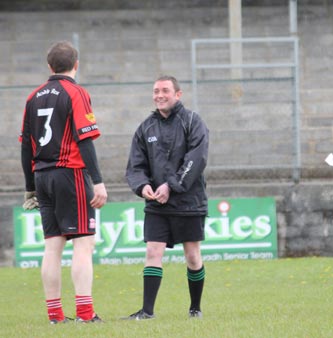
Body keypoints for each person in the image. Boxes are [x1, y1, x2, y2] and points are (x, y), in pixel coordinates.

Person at [19, 41, 108, 324]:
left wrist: (29, 186)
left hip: (42, 177)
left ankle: (55, 315)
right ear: (76, 64)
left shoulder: (33, 97)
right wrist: (98, 181)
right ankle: (85, 312)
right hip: (69, 174)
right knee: (84, 242)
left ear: (49, 67)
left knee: (52, 247)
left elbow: (25, 147)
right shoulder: (76, 92)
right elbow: (84, 138)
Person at [124, 75, 209, 320]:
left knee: (192, 256)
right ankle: (147, 312)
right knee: (153, 251)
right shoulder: (145, 128)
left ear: (178, 94)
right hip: (157, 204)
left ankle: (195, 308)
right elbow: (135, 165)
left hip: (188, 202)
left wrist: (172, 186)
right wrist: (142, 187)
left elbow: (197, 158)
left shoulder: (193, 121)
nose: (159, 95)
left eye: (165, 90)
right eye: (155, 91)